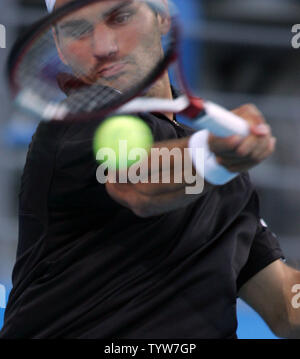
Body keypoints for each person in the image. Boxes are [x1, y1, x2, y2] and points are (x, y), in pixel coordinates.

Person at [0, 0, 299, 339]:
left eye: (121, 16)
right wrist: (218, 156)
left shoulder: (225, 176)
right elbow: (135, 183)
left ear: (162, 16)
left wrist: (221, 160)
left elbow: (286, 307)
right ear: (58, 46)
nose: (104, 47)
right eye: (77, 30)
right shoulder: (72, 127)